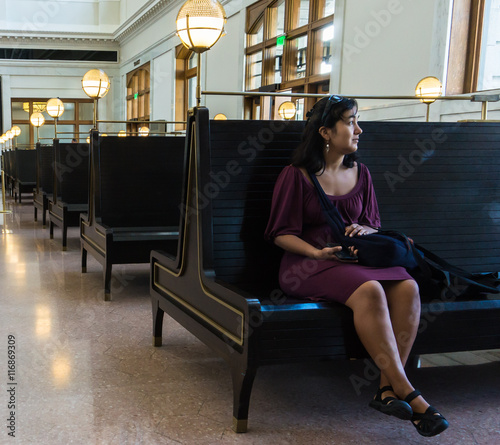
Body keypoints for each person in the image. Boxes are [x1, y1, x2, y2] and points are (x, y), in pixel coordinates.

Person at [264, 95, 449, 437]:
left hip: (355, 260)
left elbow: (372, 224)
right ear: (325, 132)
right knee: (370, 291)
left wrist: (368, 229)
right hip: (307, 264)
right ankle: (408, 391)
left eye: (356, 121)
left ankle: (386, 389)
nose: (358, 129)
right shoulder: (296, 175)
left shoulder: (361, 173)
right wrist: (318, 254)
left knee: (409, 286)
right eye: (350, 122)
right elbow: (279, 233)